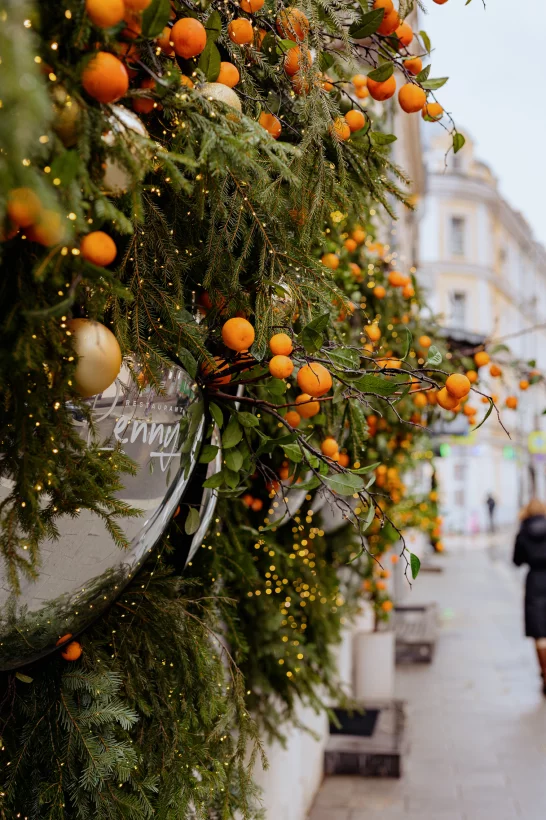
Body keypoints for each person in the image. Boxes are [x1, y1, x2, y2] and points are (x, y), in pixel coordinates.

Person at [513, 498, 546, 694]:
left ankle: (545, 673)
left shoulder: (523, 532)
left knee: (540, 633)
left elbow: (517, 560)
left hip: (534, 581)